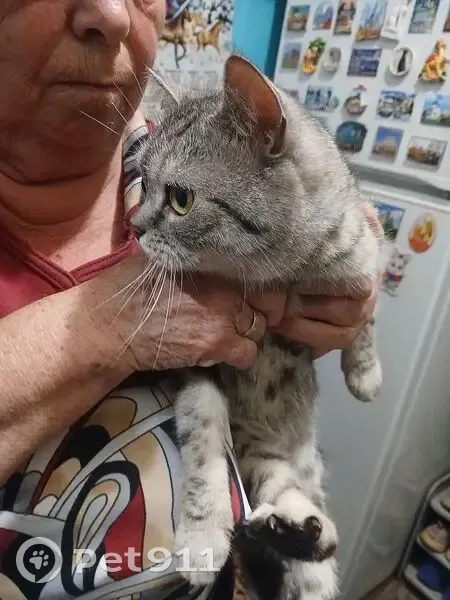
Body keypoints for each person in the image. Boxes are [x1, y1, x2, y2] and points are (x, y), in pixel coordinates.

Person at [0, 1, 380, 598]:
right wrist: (106, 326)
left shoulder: (167, 142)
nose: (112, 13)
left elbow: (321, 217)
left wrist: (350, 298)